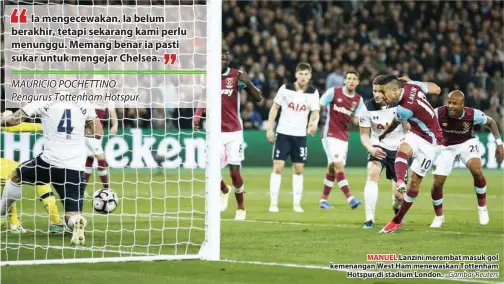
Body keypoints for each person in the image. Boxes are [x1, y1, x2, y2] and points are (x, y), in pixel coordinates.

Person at [0, 101, 103, 245]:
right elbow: (98, 133)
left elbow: (13, 121)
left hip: (49, 162)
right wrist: (77, 130)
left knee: (16, 175)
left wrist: (3, 119)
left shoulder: (43, 101)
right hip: (75, 168)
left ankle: (2, 213)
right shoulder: (84, 105)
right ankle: (76, 222)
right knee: (71, 215)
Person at [194, 45, 262, 220]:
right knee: (210, 168)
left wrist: (247, 82)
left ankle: (241, 207)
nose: (223, 57)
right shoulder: (208, 76)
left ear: (229, 57)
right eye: (220, 54)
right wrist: (197, 115)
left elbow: (258, 97)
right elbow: (204, 97)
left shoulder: (237, 75)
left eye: (226, 54)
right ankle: (224, 189)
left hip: (234, 132)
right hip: (214, 131)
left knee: (234, 172)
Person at [374, 75, 442, 233]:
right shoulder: (413, 86)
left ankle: (397, 220)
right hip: (417, 133)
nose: (382, 97)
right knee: (403, 148)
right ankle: (399, 181)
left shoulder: (403, 109)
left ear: (395, 91)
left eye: (384, 93)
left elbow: (394, 124)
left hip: (432, 142)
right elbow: (437, 89)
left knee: (415, 183)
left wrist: (383, 134)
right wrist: (413, 81)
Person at [429, 90, 504, 227]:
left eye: (455, 103)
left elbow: (491, 122)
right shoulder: (439, 112)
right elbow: (424, 119)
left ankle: (482, 207)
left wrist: (499, 143)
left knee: (477, 170)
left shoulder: (472, 114)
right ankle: (439, 217)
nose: (451, 106)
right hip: (445, 147)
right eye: (449, 102)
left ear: (463, 105)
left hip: (466, 143)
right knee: (437, 183)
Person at [266, 63, 320, 213]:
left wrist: (313, 124)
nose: (303, 77)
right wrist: (270, 129)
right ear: (296, 74)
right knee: (278, 166)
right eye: (301, 74)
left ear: (310, 76)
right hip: (283, 133)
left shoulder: (313, 93)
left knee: (298, 169)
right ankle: (273, 203)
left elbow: (315, 112)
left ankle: (297, 204)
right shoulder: (285, 89)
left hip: (300, 136)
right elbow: (275, 108)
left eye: (306, 74)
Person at [358, 76, 409, 228]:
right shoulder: (367, 108)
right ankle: (369, 219)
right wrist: (370, 148)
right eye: (374, 91)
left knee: (399, 195)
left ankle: (396, 206)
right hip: (378, 147)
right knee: (372, 174)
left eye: (381, 91)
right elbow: (363, 135)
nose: (377, 95)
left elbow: (408, 127)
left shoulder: (400, 105)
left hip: (399, 150)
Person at [319, 70, 364, 210]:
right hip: (329, 134)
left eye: (354, 79)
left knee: (333, 167)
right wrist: (313, 122)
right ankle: (350, 199)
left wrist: (361, 120)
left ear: (358, 82)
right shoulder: (333, 92)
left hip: (344, 136)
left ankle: (323, 200)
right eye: (349, 78)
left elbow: (356, 119)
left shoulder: (358, 100)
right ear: (344, 80)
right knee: (339, 166)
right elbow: (319, 105)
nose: (351, 81)